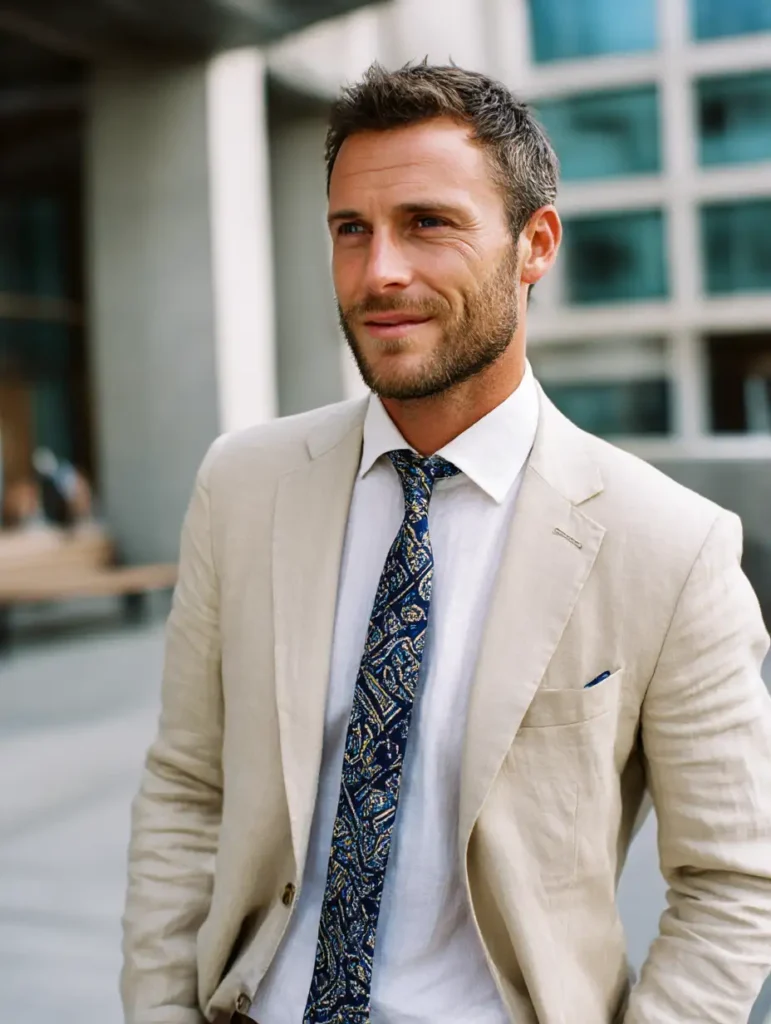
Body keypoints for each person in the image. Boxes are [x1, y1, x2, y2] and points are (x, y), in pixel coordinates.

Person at [121, 63, 771, 1024]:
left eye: (427, 222)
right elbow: (186, 786)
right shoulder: (242, 484)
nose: (380, 269)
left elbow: (732, 878)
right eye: (352, 230)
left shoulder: (669, 545)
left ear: (533, 244)